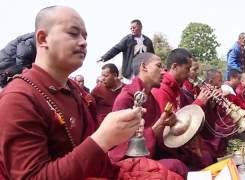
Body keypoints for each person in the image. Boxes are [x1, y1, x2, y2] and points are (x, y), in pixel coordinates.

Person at [0, 6, 145, 180]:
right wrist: (103, 139)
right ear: (43, 38)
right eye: (73, 33)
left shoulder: (76, 91)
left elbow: (91, 149)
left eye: (85, 36)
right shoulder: (18, 99)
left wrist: (120, 130)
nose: (83, 42)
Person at [111, 52, 188, 177]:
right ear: (144, 67)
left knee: (185, 157)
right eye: (159, 66)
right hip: (130, 164)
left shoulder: (150, 98)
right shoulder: (126, 98)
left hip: (151, 155)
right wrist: (156, 127)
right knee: (176, 167)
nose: (163, 72)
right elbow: (120, 147)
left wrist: (166, 124)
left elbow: (157, 138)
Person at [152, 48, 213, 170]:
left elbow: (186, 113)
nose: (190, 72)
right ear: (175, 66)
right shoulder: (161, 90)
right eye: (187, 68)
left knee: (208, 156)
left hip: (179, 141)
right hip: (166, 147)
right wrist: (199, 102)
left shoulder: (177, 88)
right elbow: (167, 129)